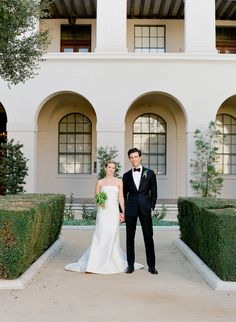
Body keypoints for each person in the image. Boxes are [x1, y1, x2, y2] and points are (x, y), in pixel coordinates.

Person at [65, 160, 143, 274]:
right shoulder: (100, 182)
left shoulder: (119, 182)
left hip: (114, 212)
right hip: (103, 212)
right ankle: (95, 263)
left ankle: (111, 261)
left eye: (113, 168)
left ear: (114, 170)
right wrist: (99, 202)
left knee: (112, 235)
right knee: (100, 234)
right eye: (109, 167)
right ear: (105, 168)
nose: (111, 169)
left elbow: (121, 198)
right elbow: (97, 198)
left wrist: (124, 213)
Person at [123, 148, 158, 274]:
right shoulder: (126, 176)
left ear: (140, 157)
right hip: (131, 209)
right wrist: (122, 211)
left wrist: (151, 207)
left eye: (136, 157)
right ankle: (130, 265)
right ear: (129, 159)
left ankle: (152, 265)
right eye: (131, 157)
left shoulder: (150, 173)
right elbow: (123, 194)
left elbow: (154, 192)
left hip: (145, 209)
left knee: (148, 237)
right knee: (129, 238)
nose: (134, 159)